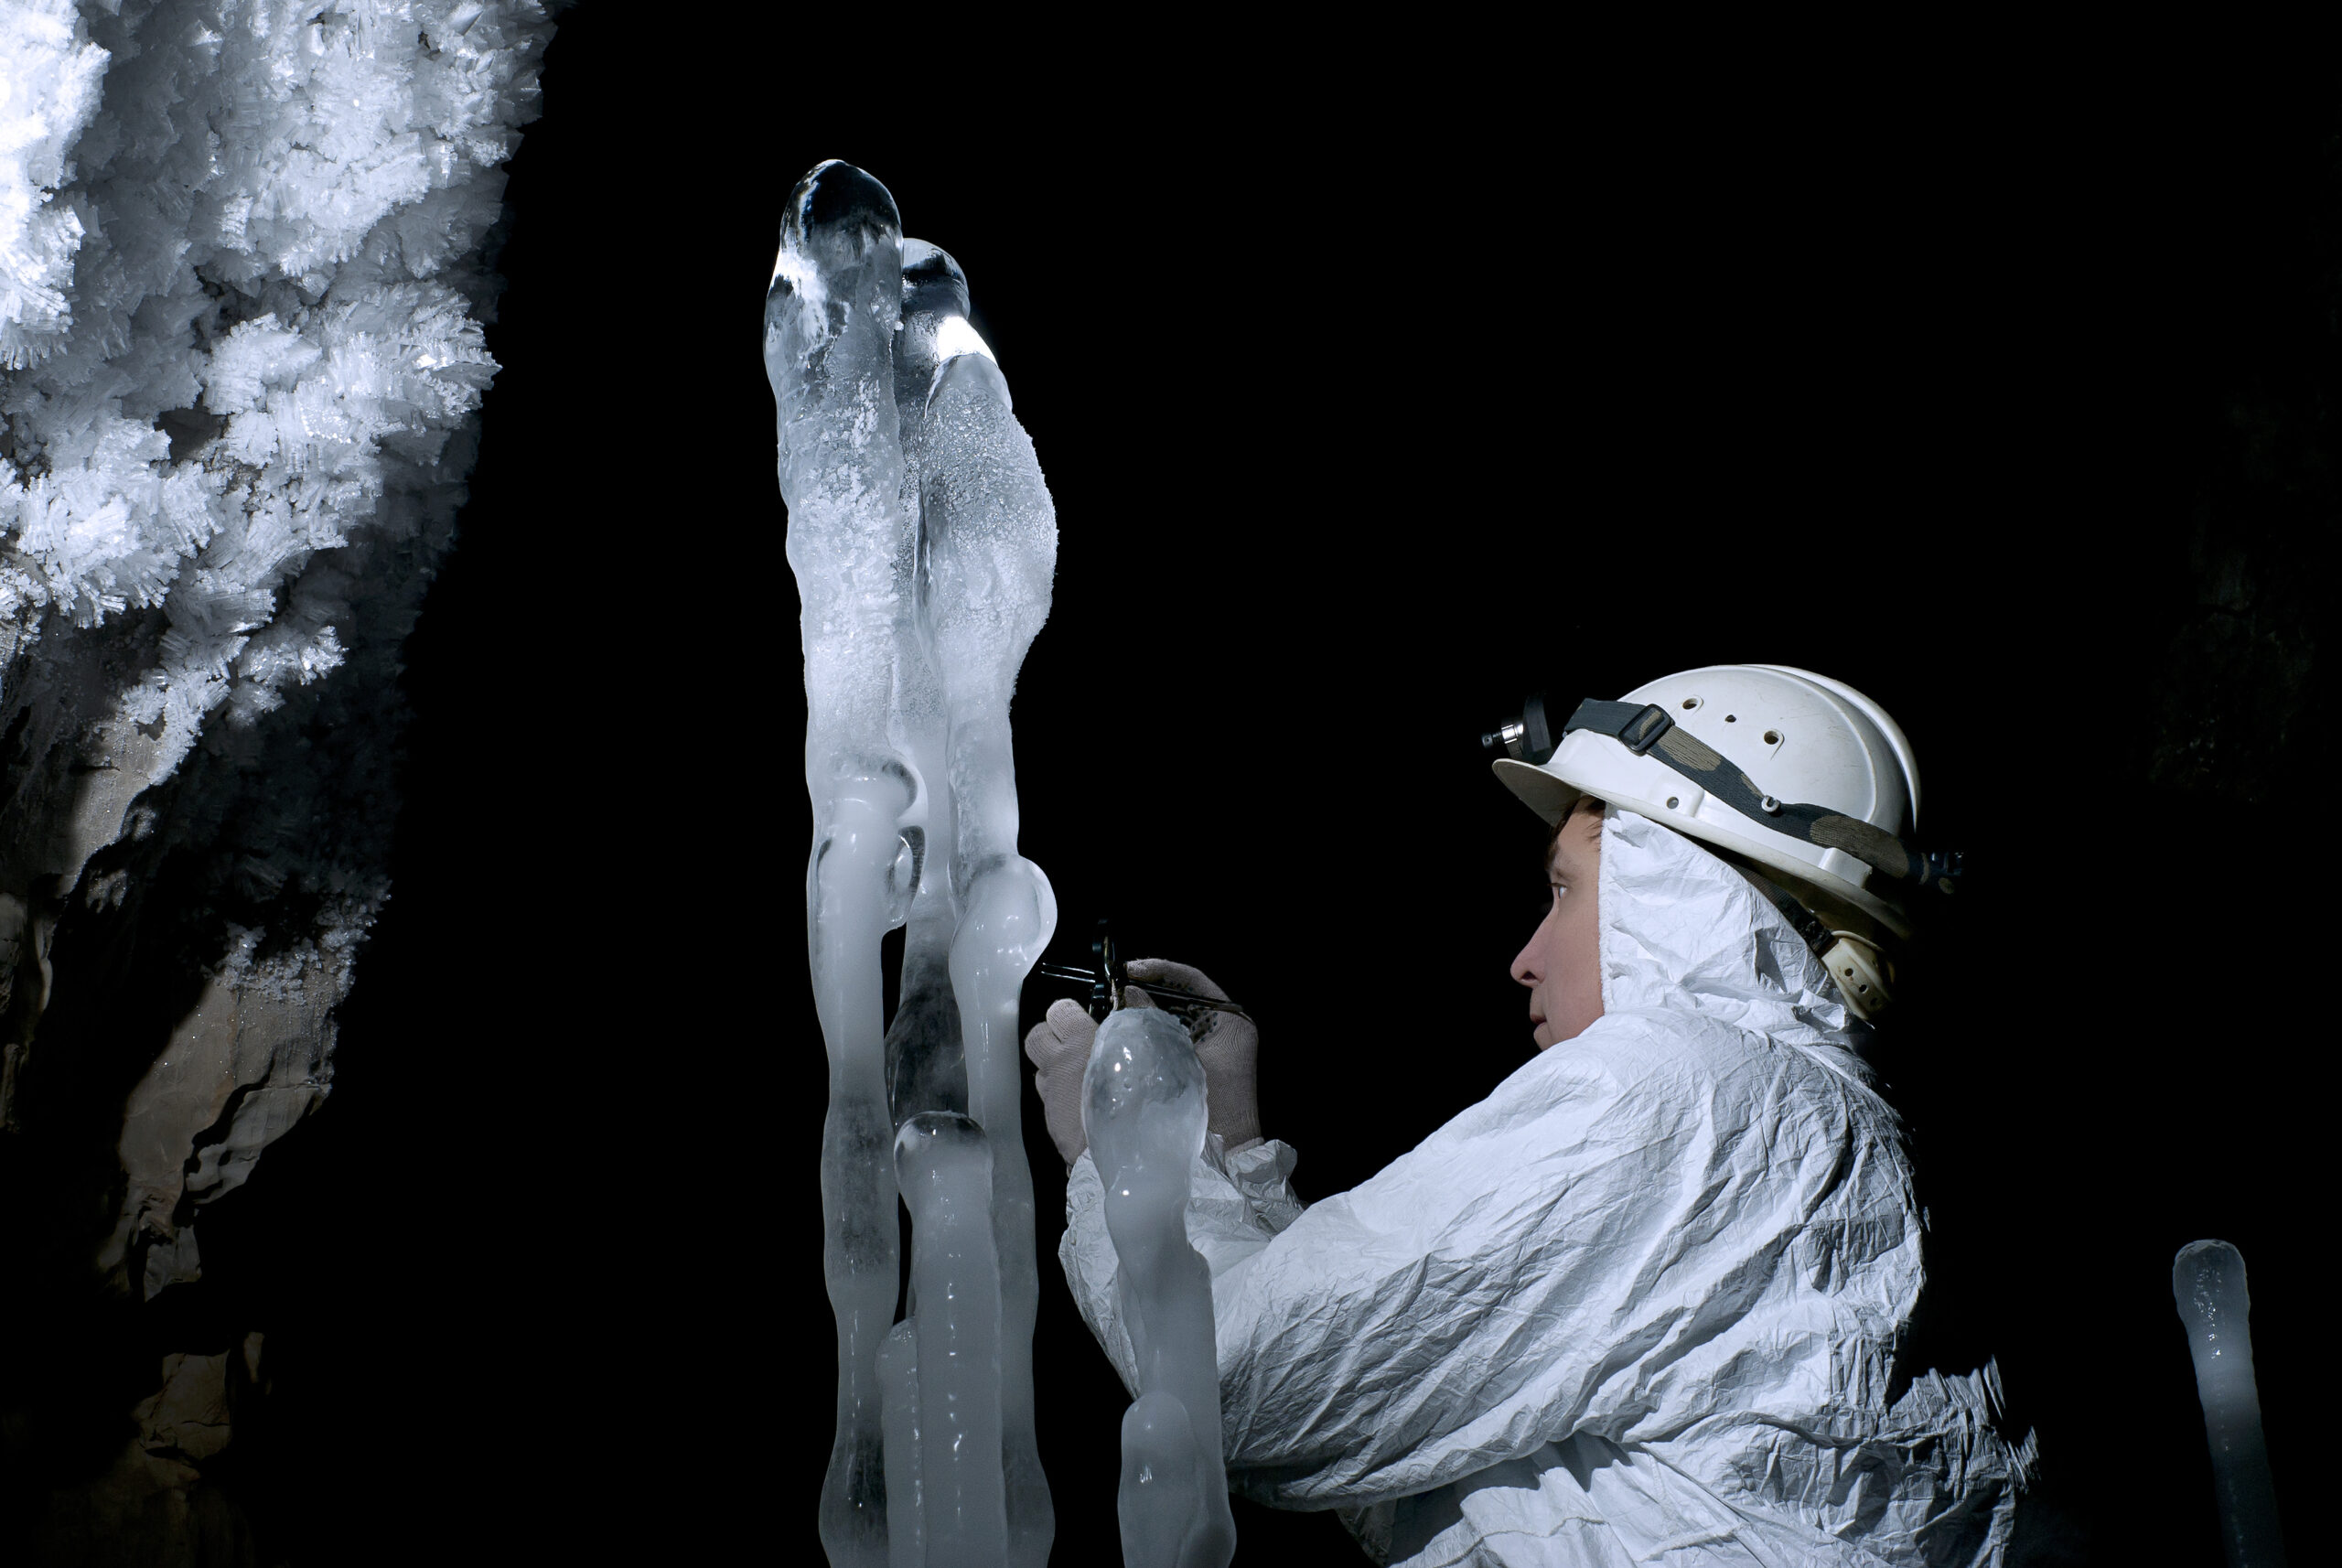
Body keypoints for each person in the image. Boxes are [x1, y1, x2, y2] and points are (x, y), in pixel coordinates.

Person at [1026, 664, 2036, 1566]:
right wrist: (1233, 1152)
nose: (1526, 955)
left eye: (1565, 889)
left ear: (1680, 893)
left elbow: (1229, 1385)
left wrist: (1119, 1151)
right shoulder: (1831, 1128)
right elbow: (1404, 1423)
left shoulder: (1674, 1091)